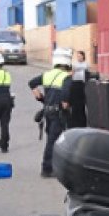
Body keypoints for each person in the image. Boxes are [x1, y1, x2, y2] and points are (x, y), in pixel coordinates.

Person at [30, 48, 73, 178]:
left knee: (51, 138)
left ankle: (53, 165)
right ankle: (47, 168)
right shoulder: (66, 77)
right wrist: (65, 105)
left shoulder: (47, 74)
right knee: (55, 140)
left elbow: (32, 83)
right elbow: (66, 95)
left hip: (48, 112)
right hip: (59, 113)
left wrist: (40, 98)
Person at [68, 50, 89, 129]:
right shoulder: (74, 64)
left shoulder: (86, 64)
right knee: (75, 105)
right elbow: (71, 72)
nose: (79, 57)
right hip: (75, 84)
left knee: (82, 104)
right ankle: (74, 122)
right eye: (78, 56)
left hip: (83, 84)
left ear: (83, 56)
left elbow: (86, 71)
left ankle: (82, 122)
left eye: (80, 56)